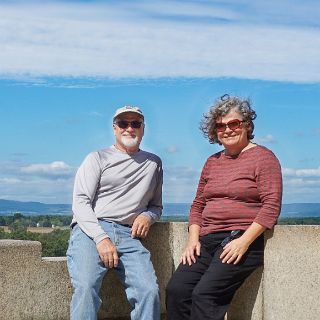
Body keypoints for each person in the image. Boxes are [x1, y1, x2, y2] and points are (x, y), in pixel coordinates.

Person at [166, 94, 282, 320]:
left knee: (205, 295)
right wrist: (192, 241)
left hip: (240, 239)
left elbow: (271, 206)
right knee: (176, 291)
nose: (227, 129)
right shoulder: (212, 161)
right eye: (220, 126)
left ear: (247, 125)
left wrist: (243, 242)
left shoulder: (264, 158)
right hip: (206, 241)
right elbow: (198, 204)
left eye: (234, 123)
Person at [67, 105, 163, 320]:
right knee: (85, 287)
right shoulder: (97, 158)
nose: (129, 128)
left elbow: (156, 206)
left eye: (135, 123)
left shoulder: (154, 163)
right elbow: (80, 202)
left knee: (149, 291)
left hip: (129, 235)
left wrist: (148, 216)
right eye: (123, 123)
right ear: (115, 128)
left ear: (143, 128)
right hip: (91, 230)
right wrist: (101, 238)